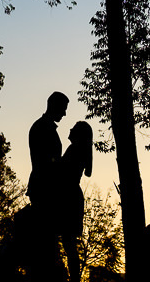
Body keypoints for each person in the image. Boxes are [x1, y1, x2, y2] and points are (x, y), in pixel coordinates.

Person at [27, 92, 70, 281]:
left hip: (45, 188)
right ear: (54, 106)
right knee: (45, 241)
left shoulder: (45, 127)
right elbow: (44, 161)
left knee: (48, 240)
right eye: (63, 109)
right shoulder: (41, 128)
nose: (65, 114)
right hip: (43, 189)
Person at [57, 121, 93, 282]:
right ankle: (74, 278)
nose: (70, 129)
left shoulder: (74, 150)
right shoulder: (79, 150)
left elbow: (62, 171)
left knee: (68, 243)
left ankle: (74, 279)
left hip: (68, 197)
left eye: (73, 128)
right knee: (69, 243)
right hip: (72, 196)